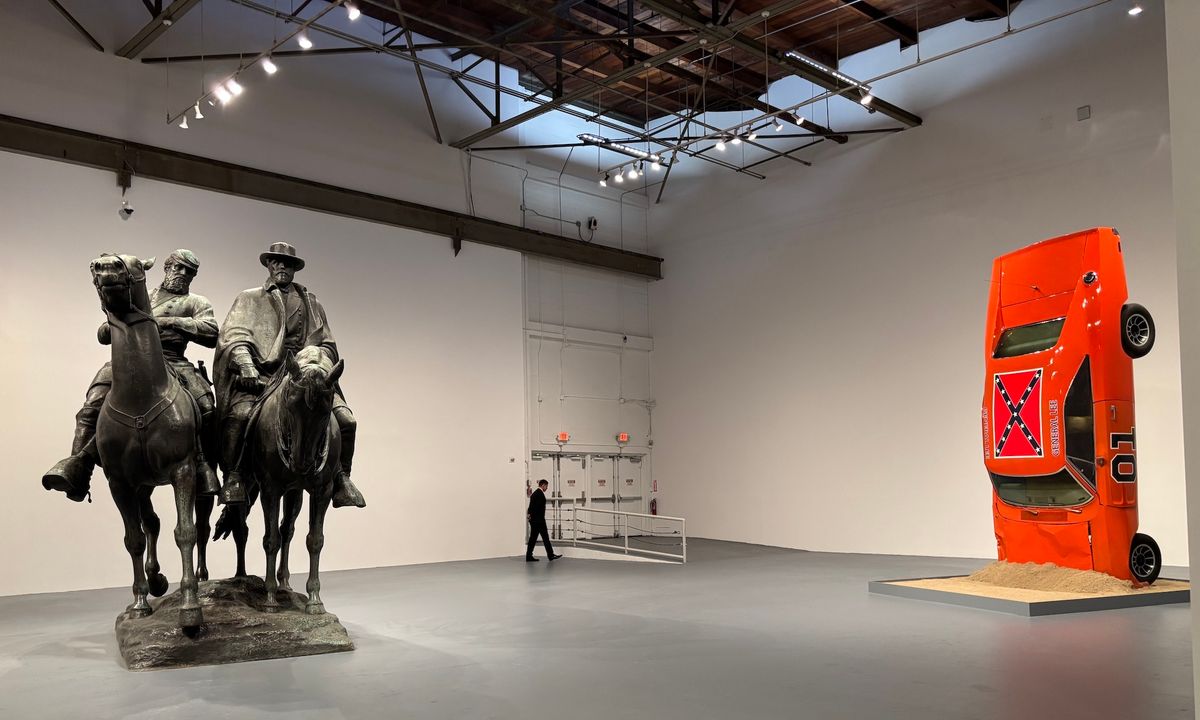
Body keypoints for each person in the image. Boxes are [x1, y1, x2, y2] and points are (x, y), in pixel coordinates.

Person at [42, 249, 221, 501]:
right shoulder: (141, 294)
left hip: (174, 361)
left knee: (207, 407)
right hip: (129, 361)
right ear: (166, 268)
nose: (182, 274)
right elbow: (104, 333)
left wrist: (172, 323)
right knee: (90, 406)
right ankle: (79, 467)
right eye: (177, 267)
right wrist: (113, 321)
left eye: (189, 271)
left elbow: (211, 331)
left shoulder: (196, 302)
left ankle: (205, 466)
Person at [214, 242, 364, 508]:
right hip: (263, 377)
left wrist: (314, 364)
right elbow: (233, 336)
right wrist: (246, 364)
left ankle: (342, 478)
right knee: (239, 416)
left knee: (346, 421)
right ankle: (234, 476)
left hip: (306, 377)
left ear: (295, 268)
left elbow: (328, 344)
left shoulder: (311, 302)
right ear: (268, 265)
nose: (281, 267)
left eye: (287, 263)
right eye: (276, 262)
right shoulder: (249, 298)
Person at [526, 479, 562, 562]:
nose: (547, 488)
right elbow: (537, 508)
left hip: (535, 520)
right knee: (543, 538)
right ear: (543, 485)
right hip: (539, 521)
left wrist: (530, 516)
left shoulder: (535, 493)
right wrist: (538, 519)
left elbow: (531, 507)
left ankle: (530, 556)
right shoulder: (539, 494)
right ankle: (550, 555)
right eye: (546, 486)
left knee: (534, 539)